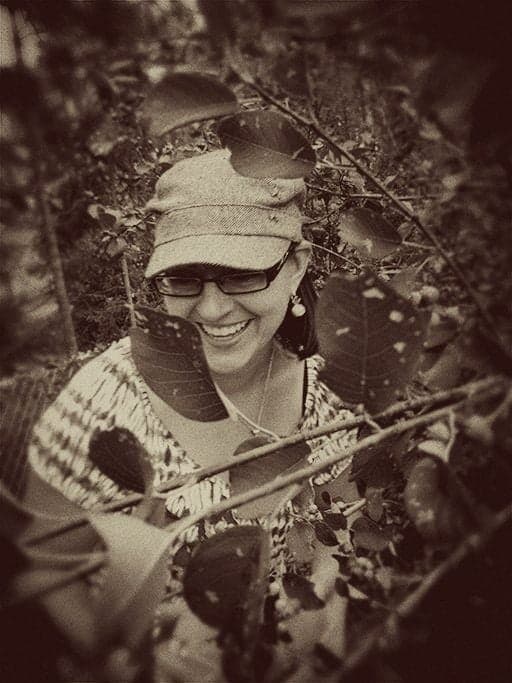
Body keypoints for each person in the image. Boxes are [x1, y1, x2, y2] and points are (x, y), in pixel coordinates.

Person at [26, 148, 357, 576]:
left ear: (296, 266)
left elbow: (338, 543)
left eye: (242, 274)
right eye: (184, 279)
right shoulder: (102, 406)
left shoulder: (334, 391)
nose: (213, 309)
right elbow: (44, 565)